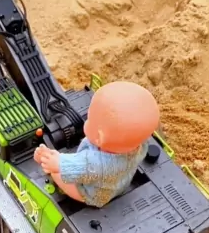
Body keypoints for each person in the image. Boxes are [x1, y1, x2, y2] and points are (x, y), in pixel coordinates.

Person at [34, 80, 160, 208]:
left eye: (89, 119)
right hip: (119, 183)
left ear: (99, 138)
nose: (86, 120)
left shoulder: (93, 163)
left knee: (56, 173)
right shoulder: (139, 145)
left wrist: (52, 160)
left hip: (94, 194)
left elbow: (68, 166)